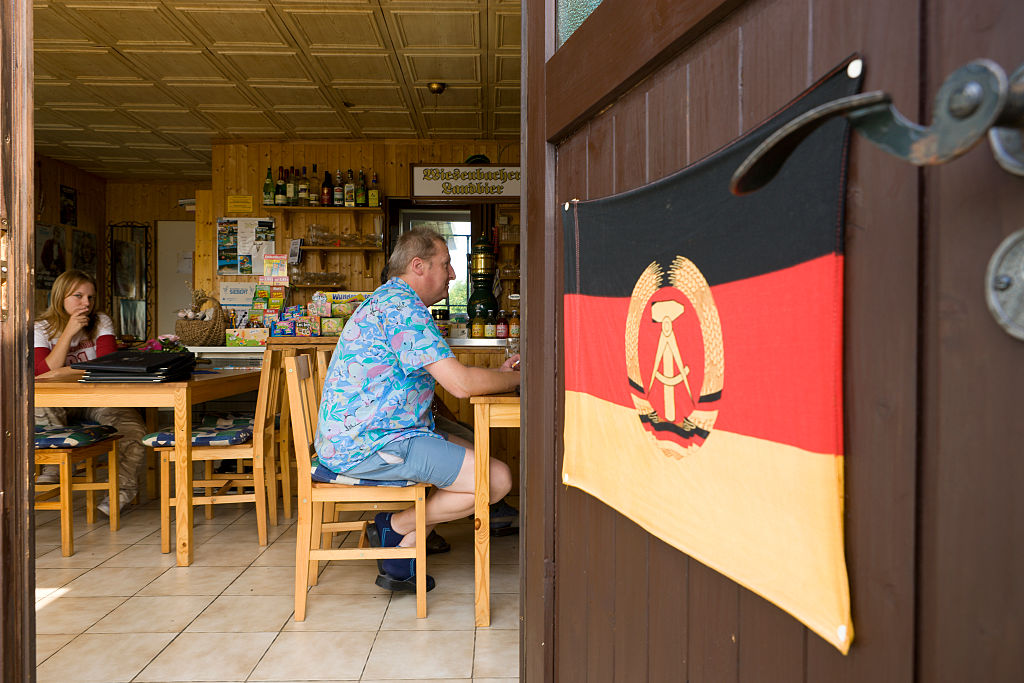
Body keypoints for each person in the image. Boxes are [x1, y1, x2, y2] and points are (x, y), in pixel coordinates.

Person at [315, 227, 520, 591]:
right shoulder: (402, 308)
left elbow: (449, 382)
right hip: (372, 444)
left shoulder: (392, 301)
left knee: (481, 460)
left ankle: (401, 553)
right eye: (446, 264)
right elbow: (460, 384)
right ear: (418, 265)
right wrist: (518, 380)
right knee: (497, 478)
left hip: (371, 437)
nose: (453, 274)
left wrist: (501, 376)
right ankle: (394, 527)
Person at [34, 269, 147, 515]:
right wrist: (68, 333)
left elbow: (106, 366)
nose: (86, 303)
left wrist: (64, 372)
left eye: (91, 297)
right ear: (60, 297)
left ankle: (119, 494)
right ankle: (54, 468)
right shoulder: (40, 328)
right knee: (40, 403)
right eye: (78, 296)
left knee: (134, 430)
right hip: (57, 402)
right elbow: (43, 374)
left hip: (98, 398)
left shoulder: (101, 322)